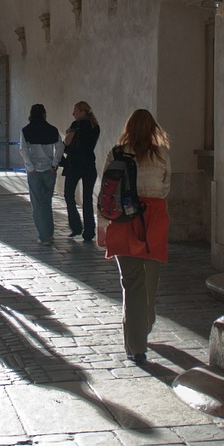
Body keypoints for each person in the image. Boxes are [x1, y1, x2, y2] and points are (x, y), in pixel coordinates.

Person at [99, 108, 171, 365]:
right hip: (153, 218)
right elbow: (165, 187)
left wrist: (102, 225)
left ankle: (136, 345)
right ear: (154, 128)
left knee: (132, 283)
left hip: (123, 218)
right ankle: (144, 326)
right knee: (150, 281)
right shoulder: (161, 154)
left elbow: (106, 190)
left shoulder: (117, 153)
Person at [19, 103, 64, 244]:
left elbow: (23, 150)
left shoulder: (26, 130)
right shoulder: (52, 130)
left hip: (34, 172)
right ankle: (49, 232)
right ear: (44, 114)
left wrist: (30, 166)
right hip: (49, 170)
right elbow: (60, 147)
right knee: (46, 202)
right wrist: (54, 164)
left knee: (37, 204)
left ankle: (44, 236)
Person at [62, 101, 101, 242]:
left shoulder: (76, 125)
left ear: (83, 111)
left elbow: (67, 143)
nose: (73, 113)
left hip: (75, 165)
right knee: (88, 198)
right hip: (90, 164)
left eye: (75, 110)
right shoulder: (95, 126)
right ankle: (89, 231)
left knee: (68, 195)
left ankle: (76, 226)